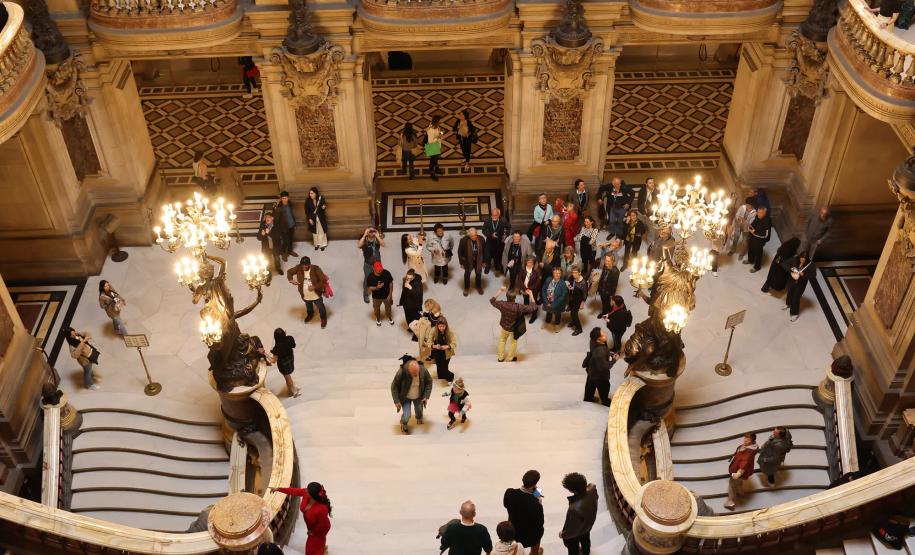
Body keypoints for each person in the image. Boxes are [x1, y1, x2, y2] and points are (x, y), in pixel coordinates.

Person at [270, 482, 331, 555]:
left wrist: (313, 533)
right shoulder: (307, 493)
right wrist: (278, 489)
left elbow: (325, 525)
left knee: (311, 551)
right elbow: (294, 491)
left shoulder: (322, 509)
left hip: (318, 534)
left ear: (312, 495)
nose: (305, 491)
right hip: (311, 528)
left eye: (307, 491)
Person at [491, 286, 537, 362]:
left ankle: (500, 358)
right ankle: (510, 358)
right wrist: (531, 295)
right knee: (513, 342)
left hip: (504, 327)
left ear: (507, 297)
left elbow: (492, 301)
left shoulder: (502, 304)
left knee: (502, 340)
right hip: (513, 329)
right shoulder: (519, 307)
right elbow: (533, 307)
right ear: (515, 297)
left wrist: (500, 290)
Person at [503, 470, 544, 555]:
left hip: (513, 531)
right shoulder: (535, 503)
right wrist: (538, 501)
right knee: (540, 529)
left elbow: (506, 505)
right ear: (535, 484)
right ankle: (534, 552)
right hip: (530, 537)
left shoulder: (510, 493)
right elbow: (540, 522)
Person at [391, 356, 433, 434]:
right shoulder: (402, 372)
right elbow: (394, 386)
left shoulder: (423, 370)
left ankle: (419, 417)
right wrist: (396, 400)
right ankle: (404, 423)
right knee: (407, 415)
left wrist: (426, 396)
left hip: (418, 396)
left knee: (419, 410)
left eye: (417, 373)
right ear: (408, 370)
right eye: (413, 373)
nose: (416, 375)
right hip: (405, 397)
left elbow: (429, 382)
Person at [559, 472, 598, 555]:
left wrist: (563, 535)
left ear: (571, 490)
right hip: (588, 525)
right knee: (586, 540)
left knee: (573, 548)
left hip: (577, 532)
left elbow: (572, 530)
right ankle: (586, 552)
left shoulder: (574, 508)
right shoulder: (592, 488)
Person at [286, 256, 328, 328]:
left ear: (309, 264)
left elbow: (324, 280)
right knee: (308, 306)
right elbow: (289, 272)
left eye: (306, 265)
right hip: (305, 294)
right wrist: (291, 279)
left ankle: (323, 318)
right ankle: (310, 314)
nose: (304, 267)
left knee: (320, 306)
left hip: (316, 294)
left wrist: (315, 287)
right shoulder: (298, 268)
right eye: (302, 265)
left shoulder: (315, 269)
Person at [263, 328, 301, 398]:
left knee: (287, 378)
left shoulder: (277, 348)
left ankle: (293, 391)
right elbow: (294, 345)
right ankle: (293, 386)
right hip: (290, 359)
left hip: (283, 365)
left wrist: (264, 353)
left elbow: (273, 361)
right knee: (289, 375)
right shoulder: (290, 338)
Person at [724, 433, 758, 510]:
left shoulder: (748, 452)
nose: (745, 440)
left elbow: (744, 464)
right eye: (745, 438)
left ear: (752, 441)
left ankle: (730, 501)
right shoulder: (752, 447)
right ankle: (740, 490)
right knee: (739, 480)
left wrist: (738, 473)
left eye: (747, 439)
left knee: (732, 485)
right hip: (740, 469)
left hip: (737, 470)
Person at [583, 328, 616, 406]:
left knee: (590, 386)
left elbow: (602, 351)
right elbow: (604, 367)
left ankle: (588, 399)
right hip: (600, 376)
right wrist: (614, 360)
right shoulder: (600, 353)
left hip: (591, 369)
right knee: (604, 388)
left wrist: (609, 353)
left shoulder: (593, 341)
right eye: (603, 335)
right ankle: (605, 401)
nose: (605, 335)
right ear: (598, 339)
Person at [358, 227, 385, 303]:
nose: (371, 232)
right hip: (368, 264)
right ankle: (365, 295)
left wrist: (377, 236)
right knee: (367, 279)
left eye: (373, 231)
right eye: (370, 231)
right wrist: (364, 235)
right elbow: (359, 245)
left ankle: (379, 292)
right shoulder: (364, 240)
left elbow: (383, 244)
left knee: (379, 278)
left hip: (377, 264)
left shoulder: (377, 239)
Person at [784, 252, 814, 322]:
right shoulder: (795, 259)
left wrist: (804, 274)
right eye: (801, 258)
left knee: (796, 297)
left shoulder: (811, 265)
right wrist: (790, 269)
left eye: (804, 259)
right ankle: (788, 304)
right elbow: (784, 264)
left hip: (801, 284)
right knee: (790, 292)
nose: (802, 261)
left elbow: (812, 276)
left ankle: (794, 314)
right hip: (792, 281)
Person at [426, 317, 457, 382]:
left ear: (446, 325)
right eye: (440, 326)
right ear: (437, 325)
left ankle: (451, 376)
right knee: (439, 371)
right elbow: (429, 342)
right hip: (437, 352)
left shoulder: (450, 331)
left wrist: (447, 346)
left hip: (447, 353)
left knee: (444, 370)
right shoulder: (433, 330)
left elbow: (454, 343)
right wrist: (434, 346)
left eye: (443, 326)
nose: (442, 328)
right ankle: (441, 381)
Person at [515, 256, 543, 324]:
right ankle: (526, 311)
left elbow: (538, 283)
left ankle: (534, 315)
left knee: (534, 303)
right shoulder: (522, 269)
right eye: (528, 262)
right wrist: (525, 289)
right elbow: (520, 279)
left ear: (533, 263)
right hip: (524, 289)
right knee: (526, 300)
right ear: (526, 262)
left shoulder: (537, 270)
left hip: (533, 290)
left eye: (531, 262)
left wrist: (530, 289)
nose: (529, 264)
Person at [459, 227, 486, 296]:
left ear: (477, 233)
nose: (474, 237)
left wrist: (484, 261)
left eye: (475, 235)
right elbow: (460, 252)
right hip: (468, 261)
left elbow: (485, 250)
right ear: (469, 235)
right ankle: (466, 288)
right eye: (472, 236)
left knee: (479, 274)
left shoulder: (481, 239)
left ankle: (478, 286)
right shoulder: (463, 240)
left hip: (478, 260)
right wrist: (461, 263)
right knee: (467, 275)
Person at [366, 261, 395, 326]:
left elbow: (391, 283)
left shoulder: (386, 273)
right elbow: (369, 288)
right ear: (374, 269)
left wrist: (390, 295)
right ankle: (378, 318)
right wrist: (377, 288)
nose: (380, 271)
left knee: (388, 309)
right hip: (376, 298)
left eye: (381, 270)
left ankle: (389, 317)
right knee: (376, 310)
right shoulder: (370, 277)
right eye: (378, 270)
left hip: (386, 296)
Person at [482, 208, 509, 276]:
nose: (494, 217)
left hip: (500, 241)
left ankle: (498, 266)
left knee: (499, 254)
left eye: (495, 215)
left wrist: (505, 235)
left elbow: (508, 227)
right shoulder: (487, 220)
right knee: (488, 255)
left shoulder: (503, 220)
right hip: (490, 241)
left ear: (499, 215)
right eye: (492, 215)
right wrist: (490, 235)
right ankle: (488, 266)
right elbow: (484, 230)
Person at [541, 267, 569, 332]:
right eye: (555, 273)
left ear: (561, 274)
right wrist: (546, 302)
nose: (557, 275)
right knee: (548, 313)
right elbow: (543, 290)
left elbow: (563, 296)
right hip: (548, 301)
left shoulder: (563, 283)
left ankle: (557, 324)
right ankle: (547, 322)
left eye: (559, 273)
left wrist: (553, 304)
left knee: (557, 315)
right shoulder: (548, 280)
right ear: (553, 274)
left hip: (557, 303)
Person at [399, 269, 424, 340]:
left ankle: (417, 335)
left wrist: (410, 287)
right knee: (408, 318)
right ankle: (411, 327)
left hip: (416, 306)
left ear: (414, 276)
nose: (408, 279)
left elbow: (418, 295)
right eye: (407, 278)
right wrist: (401, 301)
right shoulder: (405, 280)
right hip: (407, 305)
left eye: (410, 278)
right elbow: (403, 292)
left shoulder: (418, 283)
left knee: (416, 320)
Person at [273, 191, 298, 261]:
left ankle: (290, 251)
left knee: (291, 239)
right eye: (283, 198)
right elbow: (276, 218)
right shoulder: (279, 207)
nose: (284, 199)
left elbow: (291, 214)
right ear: (281, 198)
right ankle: (283, 253)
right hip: (284, 228)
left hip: (291, 225)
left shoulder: (290, 203)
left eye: (286, 198)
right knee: (285, 241)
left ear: (288, 198)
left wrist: (294, 223)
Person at [746, 206, 772, 273]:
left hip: (759, 241)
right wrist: (750, 226)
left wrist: (754, 232)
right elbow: (754, 223)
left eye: (760, 213)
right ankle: (750, 260)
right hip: (753, 237)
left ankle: (757, 267)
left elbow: (766, 235)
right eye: (757, 212)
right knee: (750, 248)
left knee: (758, 254)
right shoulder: (757, 216)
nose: (758, 214)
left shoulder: (767, 221)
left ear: (764, 213)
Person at [305, 187, 328, 251]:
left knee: (322, 231)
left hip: (320, 218)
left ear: (315, 193)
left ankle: (323, 244)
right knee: (315, 232)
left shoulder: (320, 198)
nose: (310, 195)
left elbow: (324, 206)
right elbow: (307, 211)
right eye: (310, 193)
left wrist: (324, 207)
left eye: (312, 193)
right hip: (312, 218)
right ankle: (316, 244)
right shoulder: (308, 200)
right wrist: (309, 219)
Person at [567, 265, 587, 336]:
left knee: (574, 314)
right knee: (572, 311)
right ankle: (573, 322)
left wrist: (582, 303)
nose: (574, 274)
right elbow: (570, 284)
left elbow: (585, 294)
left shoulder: (583, 283)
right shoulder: (572, 278)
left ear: (579, 273)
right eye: (573, 273)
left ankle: (579, 328)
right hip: (572, 298)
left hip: (578, 300)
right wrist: (570, 287)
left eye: (575, 273)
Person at [425, 115, 445, 181]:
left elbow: (437, 134)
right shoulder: (431, 129)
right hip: (432, 146)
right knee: (432, 161)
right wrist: (438, 137)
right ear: (437, 121)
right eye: (440, 121)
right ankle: (432, 173)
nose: (441, 122)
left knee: (435, 159)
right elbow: (430, 141)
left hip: (436, 146)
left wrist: (440, 133)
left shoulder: (437, 127)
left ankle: (436, 169)